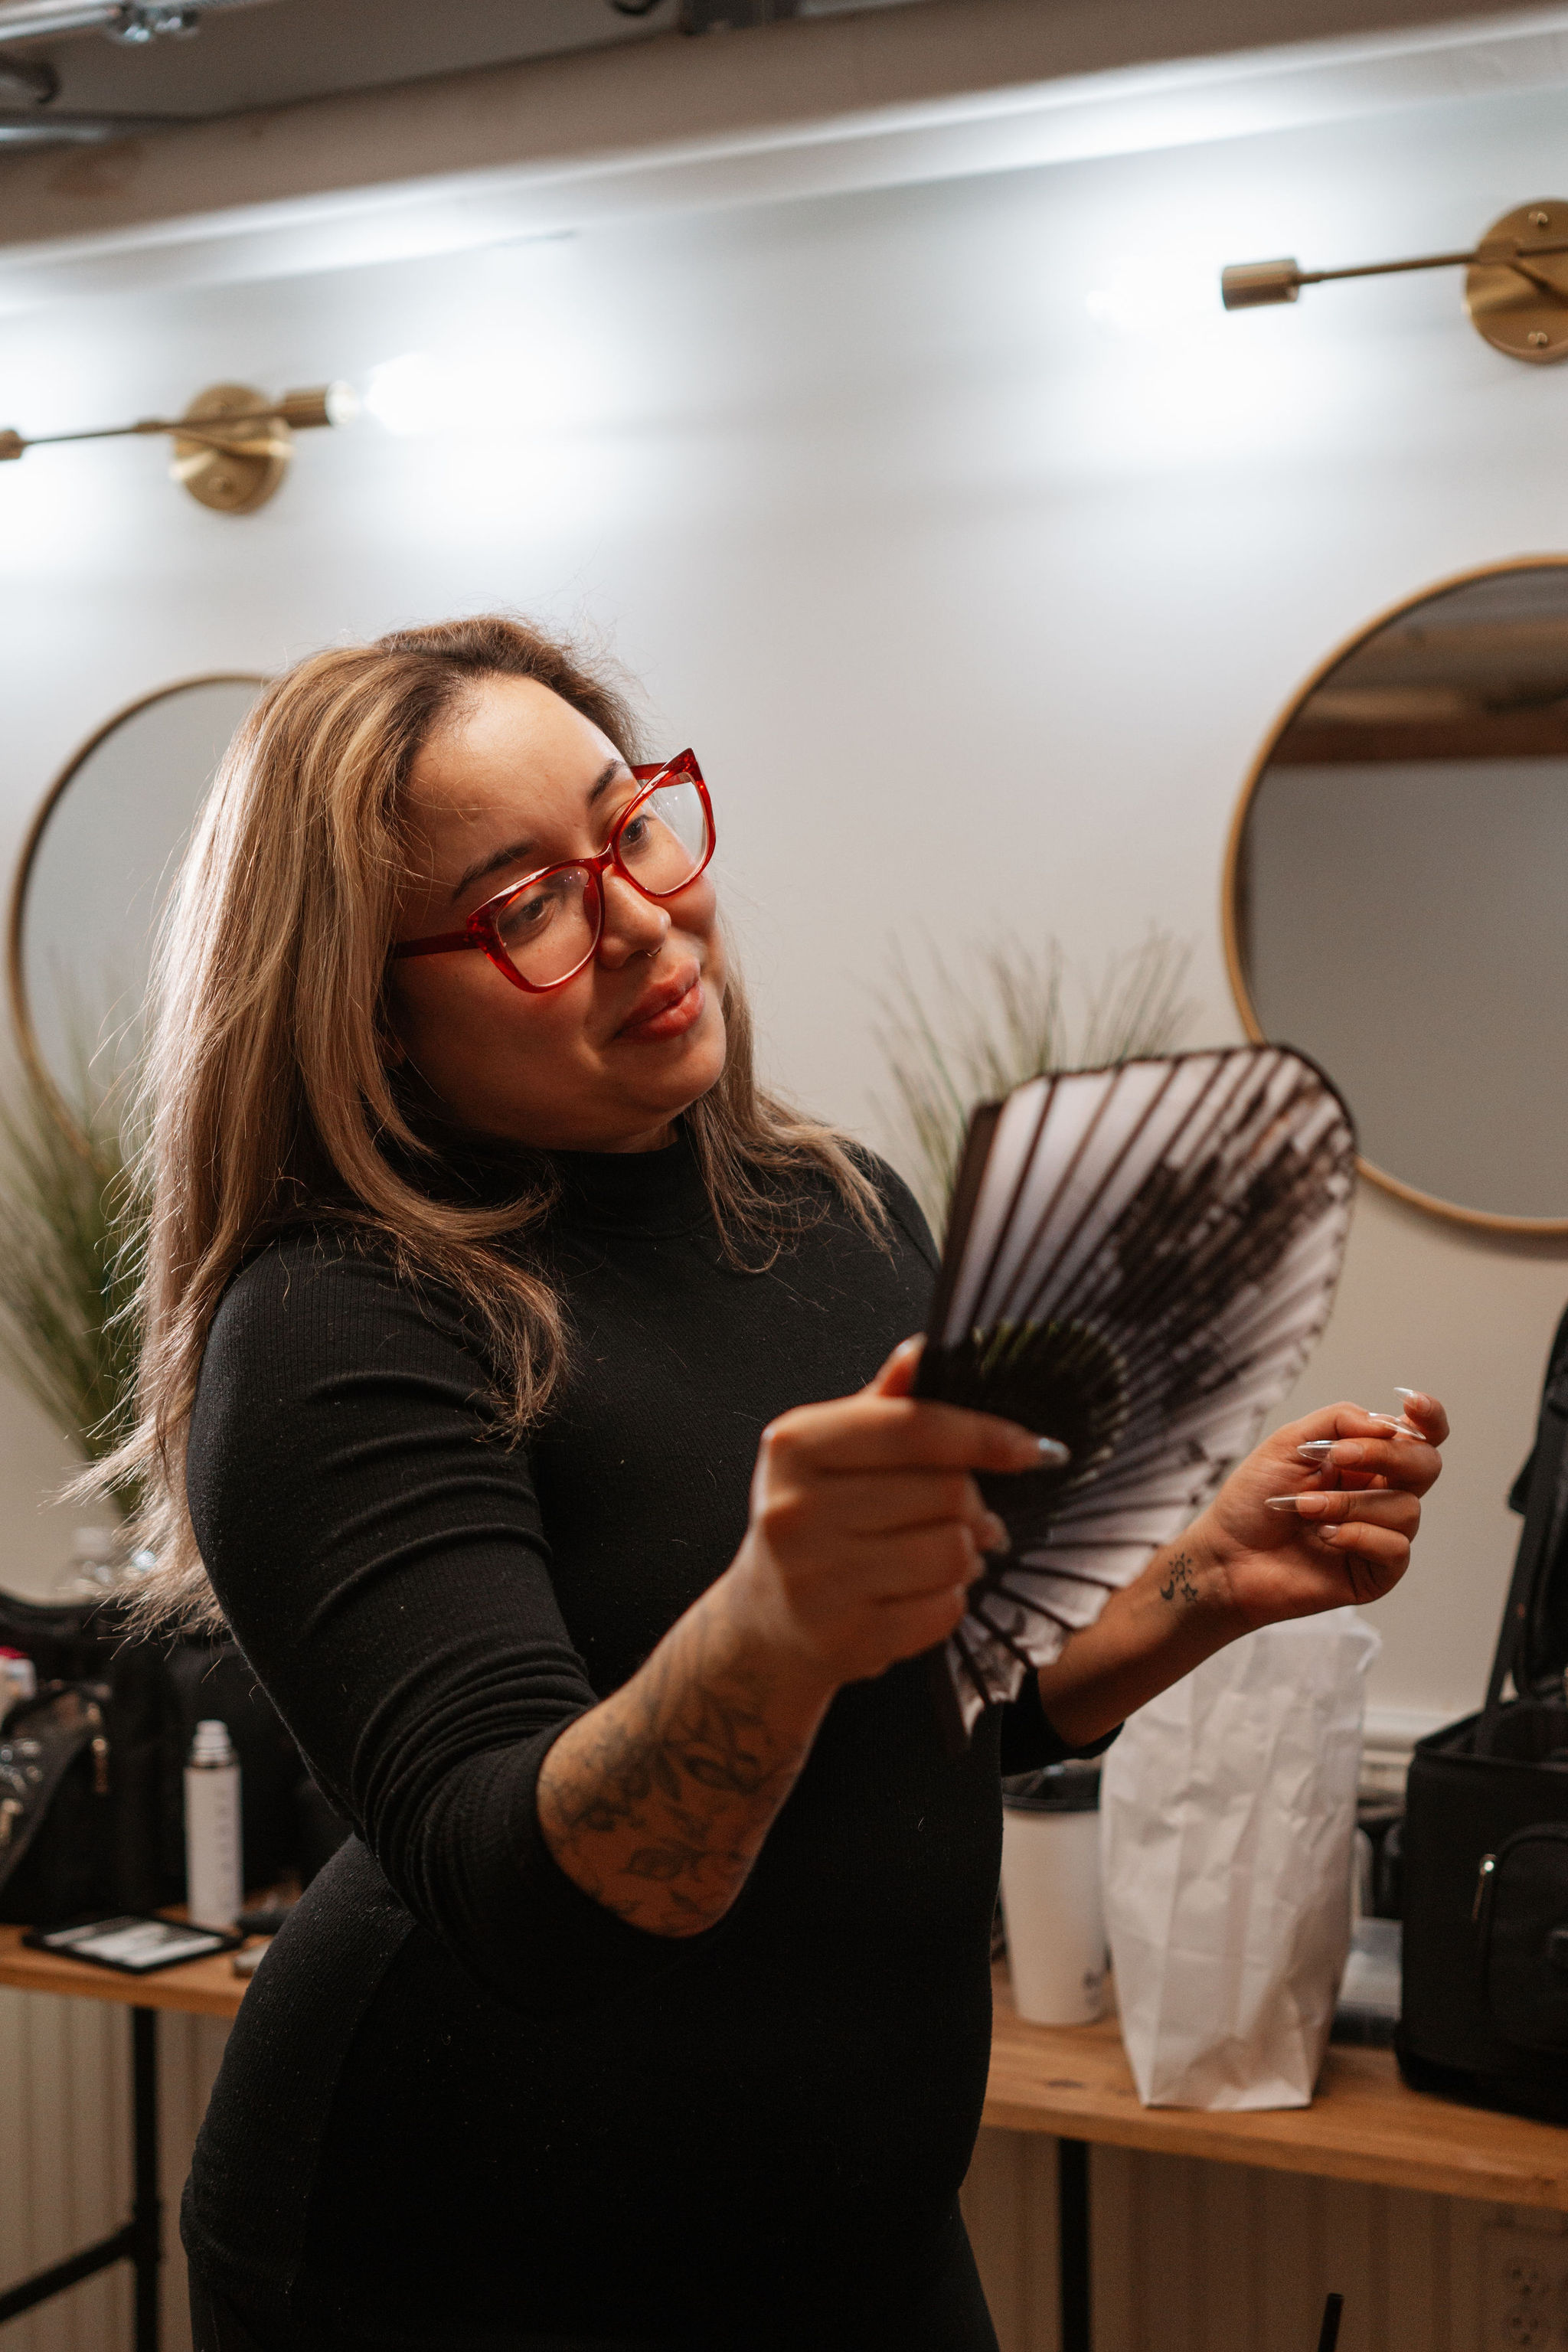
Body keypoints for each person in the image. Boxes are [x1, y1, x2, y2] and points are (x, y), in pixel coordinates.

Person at [110, 616, 1446, 2352]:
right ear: (364, 1008)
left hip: (852, 2232)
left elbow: (943, 1702)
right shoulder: (335, 1323)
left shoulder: (835, 1205)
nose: (643, 915)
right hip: (460, 2257)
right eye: (525, 907)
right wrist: (772, 1621)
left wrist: (1207, 1580)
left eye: (633, 823)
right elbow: (535, 1909)